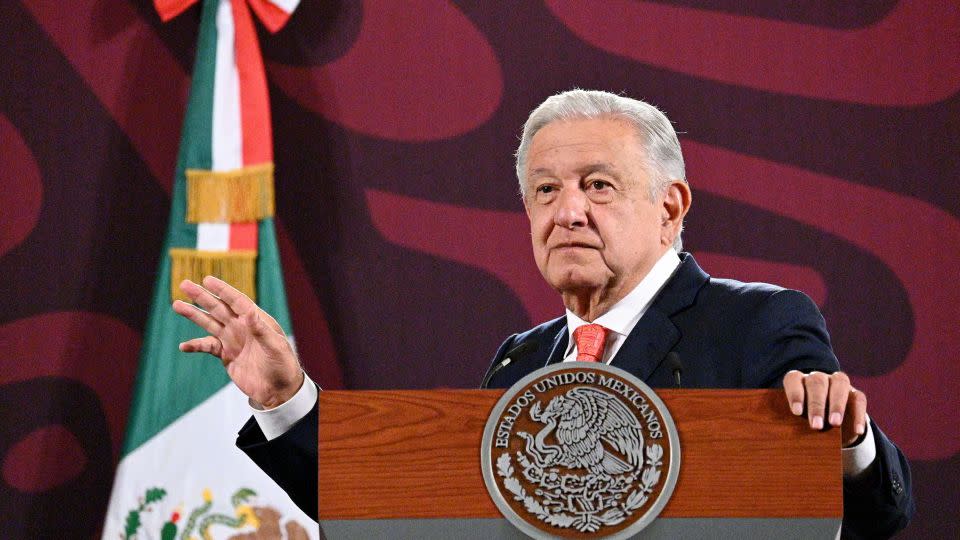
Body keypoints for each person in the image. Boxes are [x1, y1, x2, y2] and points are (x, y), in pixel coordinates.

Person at [172, 90, 914, 538]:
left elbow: (875, 513)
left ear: (670, 207)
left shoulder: (760, 324)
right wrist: (285, 401)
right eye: (546, 191)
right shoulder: (521, 361)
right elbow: (403, 513)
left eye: (597, 185)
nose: (568, 212)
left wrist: (844, 440)